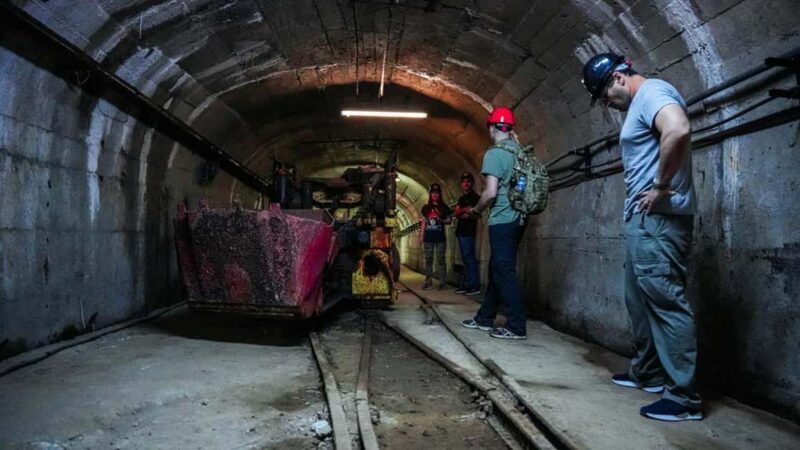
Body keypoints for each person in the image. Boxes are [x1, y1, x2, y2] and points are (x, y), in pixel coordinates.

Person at [581, 52, 702, 422]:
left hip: (660, 220)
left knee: (665, 300)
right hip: (643, 221)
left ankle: (683, 398)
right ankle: (648, 373)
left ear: (619, 77)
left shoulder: (652, 92)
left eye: (604, 94)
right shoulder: (639, 103)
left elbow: (678, 128)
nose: (606, 102)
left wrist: (661, 186)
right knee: (638, 298)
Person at [460, 107, 527, 340]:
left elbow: (489, 193)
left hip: (502, 219)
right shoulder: (520, 153)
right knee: (496, 269)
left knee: (504, 272)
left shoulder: (494, 154)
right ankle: (485, 318)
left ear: (491, 128)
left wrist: (476, 211)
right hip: (519, 218)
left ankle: (517, 326)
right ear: (510, 129)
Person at [419, 183, 452, 290]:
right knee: (428, 259)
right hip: (428, 237)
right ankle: (428, 282)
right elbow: (424, 222)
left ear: (439, 194)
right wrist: (421, 235)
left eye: (437, 193)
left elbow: (449, 220)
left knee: (441, 260)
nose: (435, 195)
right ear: (430, 194)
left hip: (440, 238)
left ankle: (442, 282)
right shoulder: (426, 208)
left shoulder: (444, 207)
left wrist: (440, 220)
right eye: (433, 193)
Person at [453, 173, 482, 296]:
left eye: (468, 181)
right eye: (464, 181)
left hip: (468, 231)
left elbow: (474, 212)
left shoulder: (475, 197)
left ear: (472, 183)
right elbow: (456, 212)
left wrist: (463, 211)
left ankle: (474, 285)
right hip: (461, 231)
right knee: (465, 258)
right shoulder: (461, 198)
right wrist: (464, 210)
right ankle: (468, 284)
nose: (466, 184)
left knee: (469, 258)